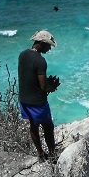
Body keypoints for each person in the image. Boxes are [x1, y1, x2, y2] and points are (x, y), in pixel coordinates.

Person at [18, 30, 60, 161]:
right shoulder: (41, 61)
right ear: (41, 43)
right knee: (48, 127)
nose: (49, 48)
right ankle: (52, 155)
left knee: (33, 126)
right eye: (48, 45)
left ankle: (40, 154)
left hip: (24, 99)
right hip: (38, 102)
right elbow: (43, 86)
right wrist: (52, 87)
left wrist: (46, 83)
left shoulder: (23, 54)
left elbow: (29, 77)